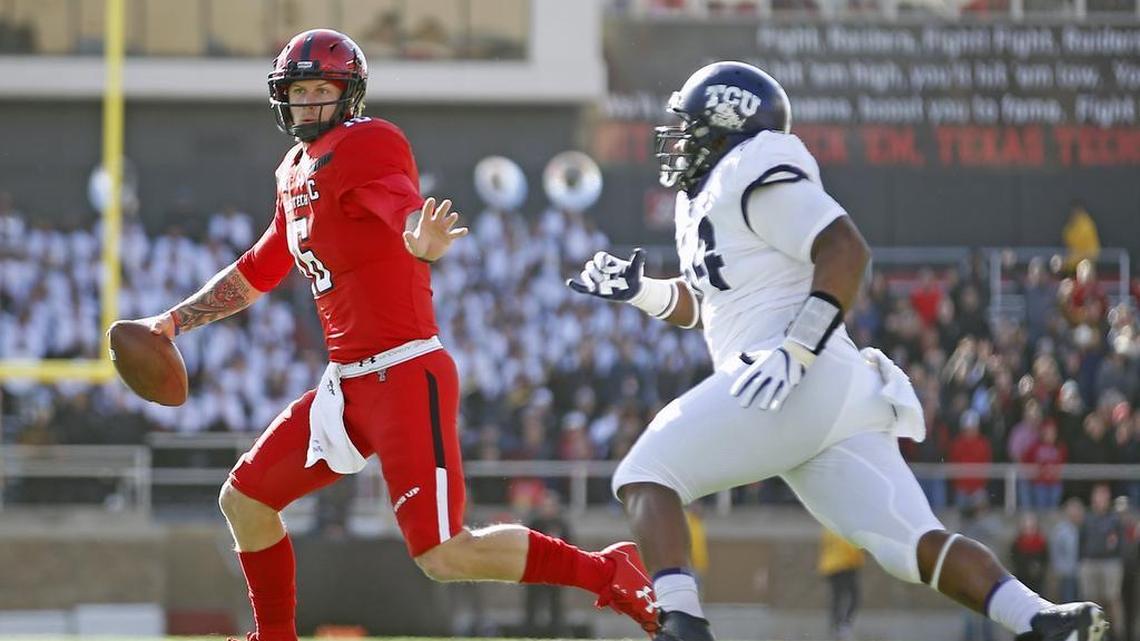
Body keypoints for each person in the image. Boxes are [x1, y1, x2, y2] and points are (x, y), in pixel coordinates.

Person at [124, 29, 657, 641]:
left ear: (348, 94)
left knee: (444, 555)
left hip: (404, 373)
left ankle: (607, 572)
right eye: (297, 91)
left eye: (321, 89)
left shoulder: (366, 142)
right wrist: (173, 321)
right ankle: (275, 635)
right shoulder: (294, 172)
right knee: (244, 499)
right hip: (347, 385)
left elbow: (400, 204)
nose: (307, 103)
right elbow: (259, 268)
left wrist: (416, 236)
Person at [567, 60, 1108, 641]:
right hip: (820, 388)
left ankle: (683, 626)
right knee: (912, 545)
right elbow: (707, 304)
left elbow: (844, 248)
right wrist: (641, 292)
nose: (677, 138)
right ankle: (1039, 618)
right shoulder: (706, 199)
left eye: (690, 123)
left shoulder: (752, 166)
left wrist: (797, 349)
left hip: (792, 373)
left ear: (727, 125)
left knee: (646, 474)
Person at [818, 527, 865, 641]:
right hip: (845, 565)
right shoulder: (846, 527)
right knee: (854, 596)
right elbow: (851, 548)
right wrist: (859, 560)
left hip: (830, 566)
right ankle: (844, 624)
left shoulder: (829, 528)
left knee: (837, 597)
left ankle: (835, 624)